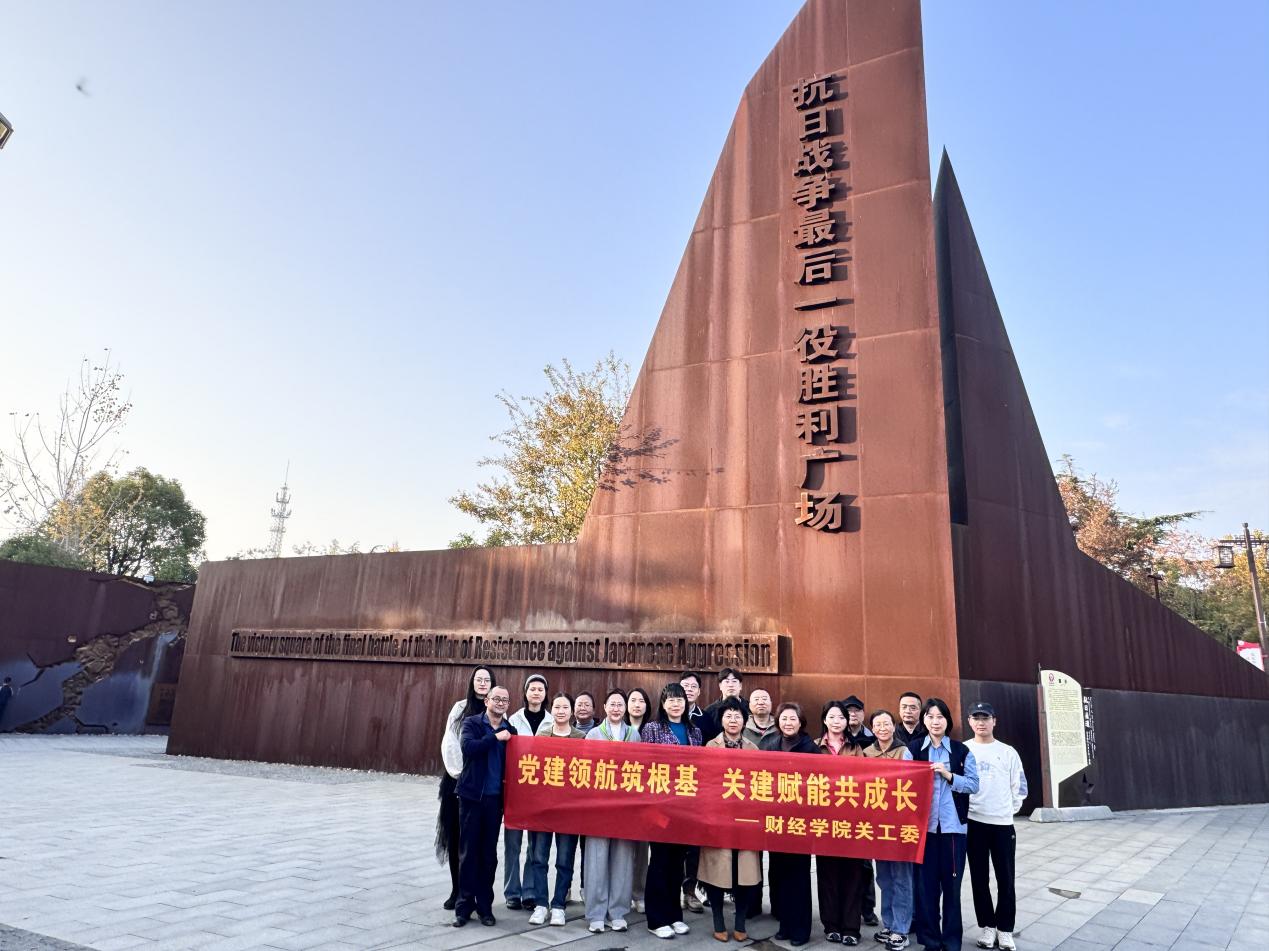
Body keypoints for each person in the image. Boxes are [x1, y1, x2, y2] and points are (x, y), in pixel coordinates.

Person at [911, 698, 979, 951]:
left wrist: (949, 775)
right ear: (924, 720)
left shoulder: (961, 751)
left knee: (952, 889)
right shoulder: (913, 749)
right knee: (926, 889)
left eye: (940, 717)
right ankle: (930, 940)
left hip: (953, 831)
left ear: (947, 721)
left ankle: (951, 941)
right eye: (930, 716)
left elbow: (973, 784)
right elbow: (903, 783)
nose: (935, 721)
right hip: (924, 831)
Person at [642, 682, 703, 939]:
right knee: (660, 860)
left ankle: (674, 915)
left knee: (678, 862)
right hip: (660, 805)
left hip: (685, 806)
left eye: (680, 700)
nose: (676, 704)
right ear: (663, 704)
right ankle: (656, 919)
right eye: (671, 700)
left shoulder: (694, 731)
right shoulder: (652, 729)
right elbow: (646, 765)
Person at [453, 685, 517, 928]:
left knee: (488, 855)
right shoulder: (472, 723)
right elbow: (468, 749)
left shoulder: (511, 729)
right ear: (487, 700)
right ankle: (463, 907)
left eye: (505, 700)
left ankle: (485, 908)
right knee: (468, 853)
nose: (500, 703)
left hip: (495, 800)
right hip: (471, 797)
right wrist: (494, 737)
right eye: (496, 698)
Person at [698, 697, 761, 942]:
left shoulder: (753, 749)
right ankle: (718, 920)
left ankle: (740, 922)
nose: (733, 720)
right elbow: (704, 782)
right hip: (718, 818)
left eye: (737, 716)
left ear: (744, 720)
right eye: (728, 715)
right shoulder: (710, 746)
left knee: (743, 873)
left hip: (745, 819)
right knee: (717, 872)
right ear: (721, 720)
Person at [965, 702, 1027, 951]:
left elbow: (1019, 785)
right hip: (974, 823)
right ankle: (987, 927)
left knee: (1006, 879)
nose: (981, 723)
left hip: (1002, 824)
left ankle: (1005, 930)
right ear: (970, 721)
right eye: (976, 718)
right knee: (979, 878)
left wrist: (1008, 810)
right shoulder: (964, 750)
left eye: (986, 718)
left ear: (994, 721)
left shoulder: (1008, 752)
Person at [584, 689, 641, 933]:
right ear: (605, 707)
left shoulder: (634, 734)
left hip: (625, 807)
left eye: (620, 705)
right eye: (612, 704)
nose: (616, 709)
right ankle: (596, 913)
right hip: (599, 806)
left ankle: (617, 911)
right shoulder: (594, 734)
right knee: (596, 858)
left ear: (625, 709)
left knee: (623, 859)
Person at [761, 702, 817, 947]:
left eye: (793, 718)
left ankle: (801, 929)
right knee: (779, 873)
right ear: (778, 721)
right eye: (784, 718)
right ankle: (784, 924)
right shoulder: (771, 744)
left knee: (799, 875)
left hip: (800, 821)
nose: (788, 723)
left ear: (801, 722)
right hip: (776, 820)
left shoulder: (810, 748)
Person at [438, 667, 494, 910]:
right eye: (478, 679)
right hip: (458, 780)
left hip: (485, 784)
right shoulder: (460, 708)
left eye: (487, 680)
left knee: (479, 841)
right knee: (456, 836)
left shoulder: (497, 709)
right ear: (472, 682)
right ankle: (457, 890)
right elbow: (450, 742)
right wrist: (462, 773)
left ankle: (477, 894)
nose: (482, 683)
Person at [526, 693, 583, 928]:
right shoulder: (542, 735)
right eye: (557, 707)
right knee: (539, 858)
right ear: (552, 710)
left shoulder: (581, 737)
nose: (561, 711)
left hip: (569, 810)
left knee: (564, 860)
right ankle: (541, 904)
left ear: (572, 711)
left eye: (565, 707)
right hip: (544, 808)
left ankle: (558, 905)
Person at [863, 710, 916, 951]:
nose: (882, 728)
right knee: (884, 877)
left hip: (901, 824)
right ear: (872, 728)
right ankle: (889, 923)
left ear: (894, 727)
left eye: (886, 723)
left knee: (901, 878)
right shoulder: (867, 753)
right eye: (877, 724)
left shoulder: (905, 752)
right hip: (877, 826)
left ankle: (901, 929)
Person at [817, 699, 868, 946]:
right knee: (827, 874)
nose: (836, 721)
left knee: (853, 874)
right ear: (824, 720)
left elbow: (867, 779)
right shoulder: (815, 747)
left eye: (841, 717)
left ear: (847, 722)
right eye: (832, 717)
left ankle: (851, 927)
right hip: (824, 820)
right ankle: (831, 925)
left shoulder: (857, 748)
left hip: (852, 820)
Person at [505, 673, 549, 911]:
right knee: (513, 843)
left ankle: (530, 892)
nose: (536, 693)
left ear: (545, 693)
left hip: (540, 791)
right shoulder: (513, 719)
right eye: (532, 688)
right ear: (525, 692)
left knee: (536, 845)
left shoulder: (552, 721)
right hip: (516, 789)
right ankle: (512, 891)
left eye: (540, 689)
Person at [841, 695, 878, 927]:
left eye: (856, 711)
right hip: (841, 806)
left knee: (865, 864)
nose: (852, 714)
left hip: (865, 809)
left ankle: (868, 909)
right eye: (848, 711)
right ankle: (846, 908)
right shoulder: (838, 738)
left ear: (863, 714)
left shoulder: (873, 739)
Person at [678, 670, 707, 913]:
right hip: (670, 789)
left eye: (692, 686)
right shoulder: (664, 718)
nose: (688, 689)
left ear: (699, 691)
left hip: (697, 789)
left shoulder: (706, 719)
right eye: (684, 685)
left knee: (693, 846)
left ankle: (690, 892)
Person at [625, 687, 654, 914]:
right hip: (622, 797)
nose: (637, 705)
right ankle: (621, 893)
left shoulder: (652, 730)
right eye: (633, 700)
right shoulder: (620, 729)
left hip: (645, 799)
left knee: (642, 850)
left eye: (641, 701)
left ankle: (639, 892)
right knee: (622, 848)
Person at [701, 667, 749, 743]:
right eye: (727, 681)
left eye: (734, 681)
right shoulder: (710, 711)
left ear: (740, 686)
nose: (730, 685)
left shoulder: (750, 708)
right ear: (720, 686)